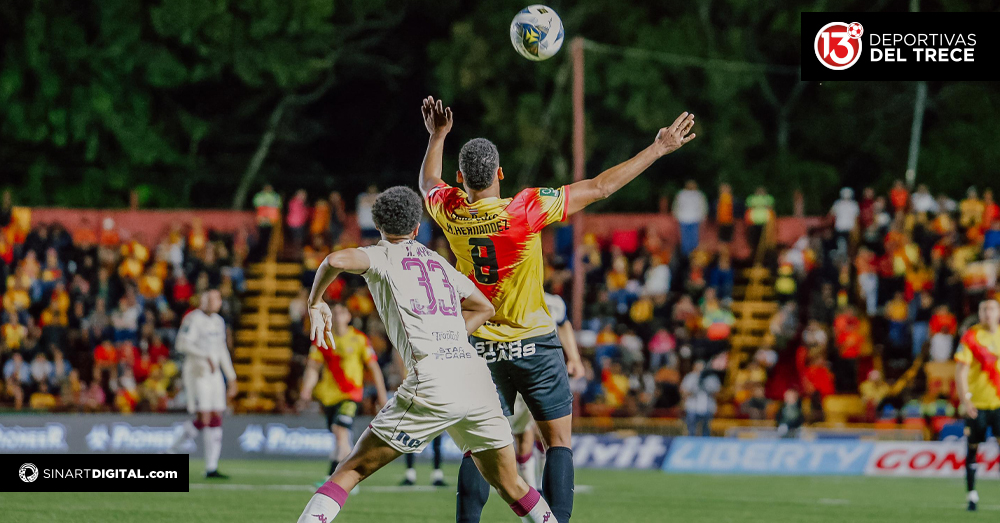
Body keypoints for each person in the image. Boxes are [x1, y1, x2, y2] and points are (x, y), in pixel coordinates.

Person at [418, 96, 695, 523]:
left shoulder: (451, 211)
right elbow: (600, 187)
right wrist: (657, 148)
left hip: (480, 346)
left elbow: (427, 181)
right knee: (557, 442)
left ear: (461, 178)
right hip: (535, 344)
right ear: (500, 174)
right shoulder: (525, 208)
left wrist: (437, 135)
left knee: (480, 448)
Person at [296, 186, 558, 523]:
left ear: (378, 226)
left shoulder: (380, 255)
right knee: (513, 485)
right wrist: (452, 335)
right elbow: (485, 307)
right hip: (475, 380)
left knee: (349, 471)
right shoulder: (438, 262)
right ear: (417, 227)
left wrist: (315, 302)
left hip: (433, 381)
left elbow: (334, 260)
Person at [297, 302, 388, 482]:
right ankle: (338, 475)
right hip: (329, 397)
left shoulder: (359, 339)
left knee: (340, 431)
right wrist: (306, 389)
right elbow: (313, 367)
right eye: (334, 313)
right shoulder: (322, 339)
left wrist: (382, 395)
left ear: (348, 316)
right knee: (339, 436)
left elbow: (374, 367)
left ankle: (343, 479)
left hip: (351, 395)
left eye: (341, 313)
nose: (337, 317)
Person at [509, 291, 584, 489]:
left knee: (548, 432)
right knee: (522, 435)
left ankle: (544, 488)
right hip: (516, 374)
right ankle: (531, 491)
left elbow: (564, 324)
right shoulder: (510, 297)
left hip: (547, 375)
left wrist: (574, 358)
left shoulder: (553, 303)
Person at [167, 289, 238, 478]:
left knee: (215, 416)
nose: (218, 302)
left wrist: (231, 377)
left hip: (214, 375)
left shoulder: (219, 321)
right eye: (215, 299)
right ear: (204, 301)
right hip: (197, 373)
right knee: (204, 416)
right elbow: (182, 344)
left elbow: (222, 350)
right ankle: (172, 450)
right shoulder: (192, 319)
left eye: (219, 299)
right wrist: (204, 355)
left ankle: (211, 467)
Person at [954, 299, 1000, 512]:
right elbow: (961, 371)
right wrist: (965, 400)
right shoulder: (971, 337)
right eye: (983, 309)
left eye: (991, 309)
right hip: (977, 405)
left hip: (998, 404)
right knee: (973, 448)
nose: (987, 313)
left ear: (998, 312)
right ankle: (971, 495)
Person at [680, 361, 720, 436]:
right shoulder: (690, 377)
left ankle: (705, 441)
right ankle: (691, 441)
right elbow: (683, 392)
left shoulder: (711, 378)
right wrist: (694, 390)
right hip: (692, 407)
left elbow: (717, 393)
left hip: (708, 407)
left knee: (706, 429)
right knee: (691, 429)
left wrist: (707, 387)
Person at [673, 180, 708, 257]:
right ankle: (689, 256)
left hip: (690, 219)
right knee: (689, 240)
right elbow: (703, 207)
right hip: (688, 219)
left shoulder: (696, 195)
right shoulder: (684, 194)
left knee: (690, 240)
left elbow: (676, 206)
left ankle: (690, 256)